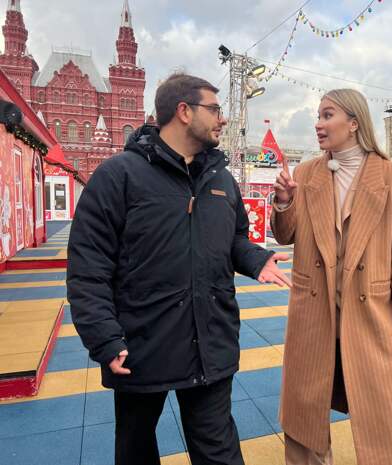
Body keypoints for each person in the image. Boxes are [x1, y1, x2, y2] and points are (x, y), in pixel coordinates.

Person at [67, 73, 290, 465]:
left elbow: (234, 238)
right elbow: (88, 269)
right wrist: (104, 338)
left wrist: (256, 258)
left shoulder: (220, 178)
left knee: (219, 451)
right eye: (215, 109)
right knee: (136, 450)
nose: (223, 119)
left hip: (211, 343)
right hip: (140, 346)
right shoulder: (119, 176)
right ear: (183, 111)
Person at [271, 88, 392, 465]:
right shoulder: (305, 173)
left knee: (382, 415)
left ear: (354, 123)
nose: (318, 124)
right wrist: (285, 202)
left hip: (370, 313)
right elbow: (286, 235)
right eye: (318, 116)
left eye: (327, 115)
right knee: (304, 416)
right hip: (313, 313)